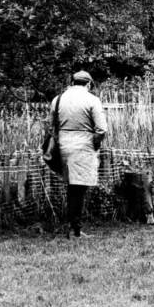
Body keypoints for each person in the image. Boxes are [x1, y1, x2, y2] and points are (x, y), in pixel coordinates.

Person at [50, 70, 108, 238]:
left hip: (63, 147)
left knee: (71, 187)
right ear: (88, 84)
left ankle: (73, 226)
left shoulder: (58, 99)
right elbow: (101, 129)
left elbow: (51, 127)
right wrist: (95, 144)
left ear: (72, 82)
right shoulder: (91, 100)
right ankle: (75, 229)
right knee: (79, 189)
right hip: (83, 146)